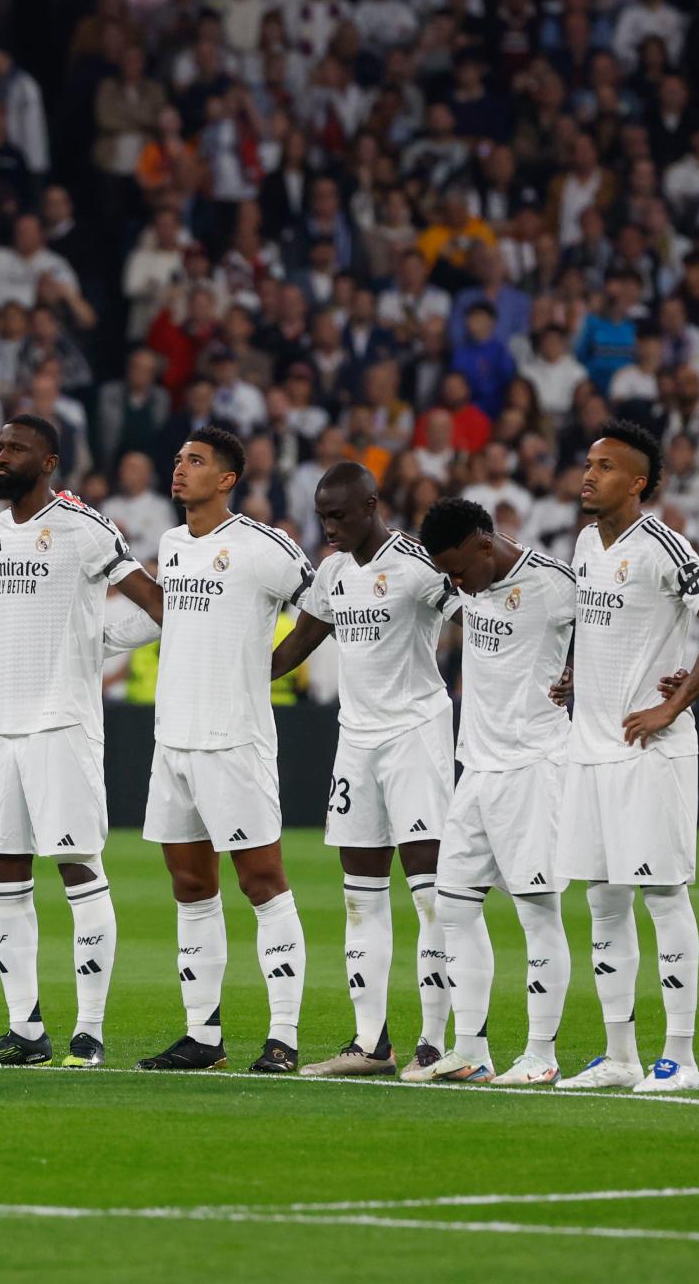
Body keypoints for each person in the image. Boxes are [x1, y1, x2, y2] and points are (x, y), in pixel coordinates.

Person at [0, 417, 163, 1068]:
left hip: (63, 725)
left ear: (47, 461)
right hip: (3, 728)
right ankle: (26, 1030)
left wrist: (111, 638)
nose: (0, 455)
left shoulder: (84, 527)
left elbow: (154, 601)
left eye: (14, 448)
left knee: (77, 868)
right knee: (2, 869)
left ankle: (90, 1033)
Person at [555, 423, 699, 1093]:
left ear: (637, 483)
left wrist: (676, 702)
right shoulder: (585, 543)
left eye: (606, 467)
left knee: (664, 899)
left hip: (649, 752)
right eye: (589, 463)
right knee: (604, 904)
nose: (589, 475)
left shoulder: (663, 545)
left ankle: (681, 1058)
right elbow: (603, 628)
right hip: (587, 752)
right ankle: (619, 1056)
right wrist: (576, 674)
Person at [267, 462, 460, 1079]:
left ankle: (433, 1041)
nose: (328, 527)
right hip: (357, 740)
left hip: (415, 734)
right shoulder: (332, 570)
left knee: (429, 892)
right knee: (359, 893)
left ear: (372, 504)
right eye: (322, 515)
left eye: (340, 515)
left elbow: (479, 618)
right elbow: (305, 637)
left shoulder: (417, 563)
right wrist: (237, 677)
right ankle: (371, 1042)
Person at [136, 427, 314, 1075]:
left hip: (234, 742)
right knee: (190, 885)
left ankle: (285, 1037)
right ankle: (202, 1037)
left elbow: (320, 603)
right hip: (173, 742)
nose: (180, 469)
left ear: (227, 480)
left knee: (262, 883)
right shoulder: (173, 544)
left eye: (196, 461)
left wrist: (274, 665)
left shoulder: (264, 547)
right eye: (179, 458)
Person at [418, 497, 578, 1086]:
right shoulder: (468, 583)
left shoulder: (555, 584)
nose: (455, 584)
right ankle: (471, 1049)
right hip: (475, 769)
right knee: (454, 907)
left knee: (538, 912)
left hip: (534, 767)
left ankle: (540, 1054)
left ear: (487, 543)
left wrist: (582, 671)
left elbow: (620, 627)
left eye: (460, 570)